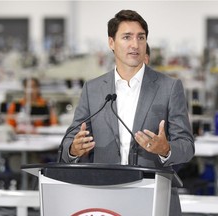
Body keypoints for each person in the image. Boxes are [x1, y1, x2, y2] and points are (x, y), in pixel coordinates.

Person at [60, 9, 194, 215]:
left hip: (153, 197)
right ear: (111, 43)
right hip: (105, 197)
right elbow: (69, 141)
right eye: (127, 37)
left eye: (141, 37)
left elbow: (187, 146)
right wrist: (74, 149)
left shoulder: (169, 87)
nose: (135, 44)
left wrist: (165, 149)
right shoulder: (93, 89)